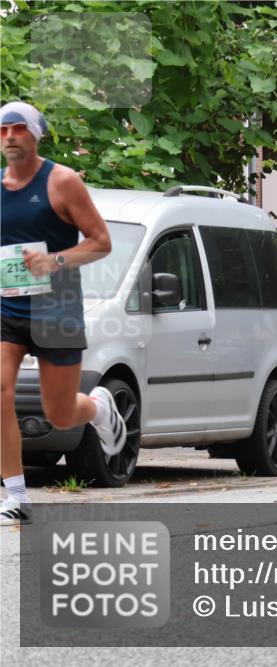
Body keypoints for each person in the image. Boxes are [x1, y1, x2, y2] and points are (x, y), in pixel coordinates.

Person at [1, 101, 126, 526]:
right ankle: (16, 494)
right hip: (7, 303)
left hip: (56, 304)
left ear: (35, 134)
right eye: (2, 130)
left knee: (60, 413)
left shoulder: (62, 181)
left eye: (18, 128)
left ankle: (97, 408)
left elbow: (101, 242)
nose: (9, 136)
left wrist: (54, 262)